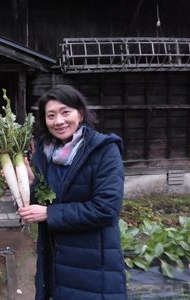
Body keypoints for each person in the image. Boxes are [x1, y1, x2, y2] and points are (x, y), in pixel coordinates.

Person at [18, 84, 127, 300]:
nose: (59, 121)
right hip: (54, 262)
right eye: (51, 115)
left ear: (81, 113)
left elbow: (106, 209)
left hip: (93, 265)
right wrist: (28, 183)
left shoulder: (104, 150)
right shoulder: (44, 153)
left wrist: (50, 214)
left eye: (65, 112)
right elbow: (44, 200)